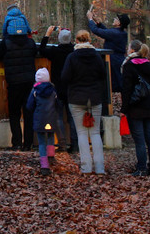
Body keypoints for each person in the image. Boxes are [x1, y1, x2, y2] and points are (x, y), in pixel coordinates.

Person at [61, 29, 108, 175]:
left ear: (76, 40)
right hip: (94, 97)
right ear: (89, 40)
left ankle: (86, 167)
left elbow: (65, 77)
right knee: (95, 133)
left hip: (76, 98)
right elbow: (103, 75)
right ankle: (99, 167)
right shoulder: (96, 56)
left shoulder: (72, 57)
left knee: (81, 133)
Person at [0, 20, 38, 150]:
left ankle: (17, 142)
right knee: (28, 113)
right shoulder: (30, 42)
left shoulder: (6, 43)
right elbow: (35, 52)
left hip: (13, 83)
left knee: (14, 113)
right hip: (29, 82)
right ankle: (28, 143)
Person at [121, 40, 150, 177]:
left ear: (132, 50)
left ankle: (142, 168)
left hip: (135, 107)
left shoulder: (128, 65)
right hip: (149, 105)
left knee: (139, 140)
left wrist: (124, 109)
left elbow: (126, 89)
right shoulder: (149, 65)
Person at [39, 25, 76, 152]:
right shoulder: (74, 51)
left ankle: (62, 143)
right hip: (72, 88)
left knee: (58, 117)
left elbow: (42, 49)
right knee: (72, 117)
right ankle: (75, 143)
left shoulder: (55, 51)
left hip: (58, 88)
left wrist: (47, 34)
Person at [87, 8, 130, 94]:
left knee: (111, 84)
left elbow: (96, 31)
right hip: (118, 59)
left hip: (113, 61)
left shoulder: (115, 33)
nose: (114, 19)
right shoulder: (121, 33)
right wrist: (98, 23)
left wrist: (90, 19)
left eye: (116, 19)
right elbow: (107, 32)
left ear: (119, 23)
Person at [25, 68, 59, 175]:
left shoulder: (35, 91)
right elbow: (57, 104)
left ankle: (44, 166)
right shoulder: (53, 91)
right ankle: (51, 156)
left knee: (41, 142)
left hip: (40, 119)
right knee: (50, 136)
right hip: (51, 118)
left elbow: (29, 106)